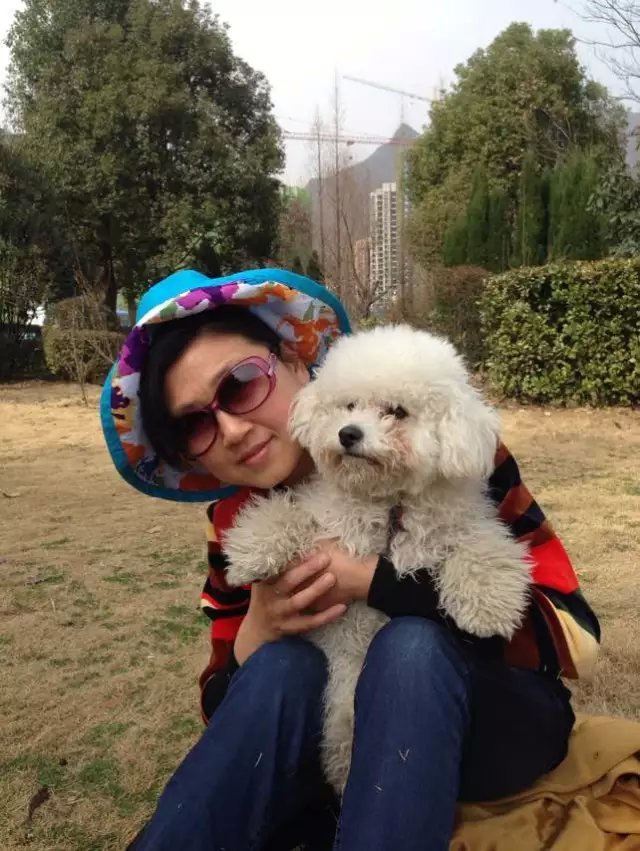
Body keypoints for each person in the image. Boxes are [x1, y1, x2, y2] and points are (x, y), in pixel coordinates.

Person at [101, 268, 600, 851]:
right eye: (193, 423)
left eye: (240, 384)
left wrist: (373, 582)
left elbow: (572, 634)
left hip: (493, 718)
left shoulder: (463, 465)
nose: (232, 429)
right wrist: (256, 632)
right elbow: (227, 715)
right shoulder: (238, 518)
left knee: (410, 646)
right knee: (280, 666)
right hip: (336, 735)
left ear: (295, 361)